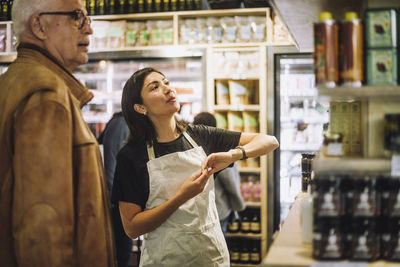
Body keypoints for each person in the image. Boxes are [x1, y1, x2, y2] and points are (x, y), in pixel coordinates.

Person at [112, 67, 279, 266]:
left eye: (166, 82)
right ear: (140, 107)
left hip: (211, 258)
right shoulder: (131, 156)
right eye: (155, 87)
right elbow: (132, 228)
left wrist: (233, 155)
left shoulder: (200, 136)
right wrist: (182, 197)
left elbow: (269, 141)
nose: (167, 89)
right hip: (165, 261)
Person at [0, 0, 115, 266]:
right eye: (77, 17)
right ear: (38, 25)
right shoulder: (47, 95)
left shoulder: (13, 83)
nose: (89, 29)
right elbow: (41, 227)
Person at [193, 112, 246, 234]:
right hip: (218, 209)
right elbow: (231, 183)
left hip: (195, 212)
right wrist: (239, 205)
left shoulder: (190, 149)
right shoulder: (221, 149)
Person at [98, 112, 133, 267]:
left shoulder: (121, 123)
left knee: (122, 246)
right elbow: (113, 161)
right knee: (122, 247)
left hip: (120, 195)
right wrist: (114, 195)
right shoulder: (121, 124)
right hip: (118, 198)